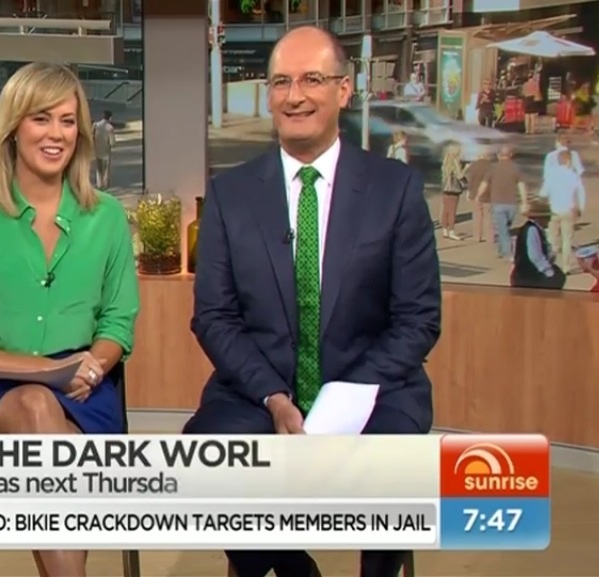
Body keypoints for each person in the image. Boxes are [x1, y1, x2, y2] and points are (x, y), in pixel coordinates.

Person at [183, 26, 440, 577]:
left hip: (372, 391)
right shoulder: (230, 194)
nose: (294, 96)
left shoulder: (395, 190)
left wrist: (341, 402)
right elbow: (214, 317)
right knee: (204, 462)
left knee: (390, 466)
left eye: (311, 80)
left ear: (343, 91)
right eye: (281, 82)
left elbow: (418, 320)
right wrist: (275, 397)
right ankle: (289, 564)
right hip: (257, 392)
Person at [0, 62, 139, 577]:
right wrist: (44, 373)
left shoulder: (107, 217)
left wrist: (94, 364)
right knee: (36, 406)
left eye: (67, 121)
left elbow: (117, 324)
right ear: (13, 128)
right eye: (41, 118)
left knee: (52, 441)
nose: (56, 134)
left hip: (86, 393)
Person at [538, 149, 585, 271]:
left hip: (553, 210)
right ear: (569, 161)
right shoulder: (573, 176)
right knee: (567, 240)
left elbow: (543, 193)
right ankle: (566, 266)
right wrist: (581, 208)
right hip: (569, 210)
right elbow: (581, 193)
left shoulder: (552, 175)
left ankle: (550, 263)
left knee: (552, 239)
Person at [477, 146, 527, 260]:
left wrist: (478, 196)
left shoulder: (493, 168)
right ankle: (502, 251)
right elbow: (521, 186)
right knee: (504, 228)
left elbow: (484, 183)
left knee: (502, 228)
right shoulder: (516, 168)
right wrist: (524, 201)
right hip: (512, 204)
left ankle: (507, 253)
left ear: (499, 155)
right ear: (511, 155)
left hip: (497, 203)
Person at [510, 199, 566, 290]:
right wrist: (549, 273)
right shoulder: (532, 230)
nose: (549, 220)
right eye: (547, 217)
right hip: (529, 277)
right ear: (539, 218)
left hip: (522, 275)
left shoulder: (528, 229)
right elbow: (535, 256)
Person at [464, 151, 493, 243]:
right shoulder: (491, 166)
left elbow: (469, 179)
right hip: (488, 194)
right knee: (488, 216)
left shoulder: (474, 165)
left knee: (477, 215)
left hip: (475, 193)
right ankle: (489, 237)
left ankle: (477, 236)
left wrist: (468, 192)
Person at [439, 142, 465, 240]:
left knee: (446, 210)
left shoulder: (445, 161)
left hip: (446, 188)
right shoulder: (455, 161)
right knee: (452, 211)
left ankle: (445, 230)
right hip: (453, 189)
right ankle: (452, 231)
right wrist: (466, 169)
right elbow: (459, 175)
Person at [92, 109, 116, 189]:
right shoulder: (110, 128)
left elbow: (92, 137)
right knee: (105, 170)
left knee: (99, 170)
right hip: (106, 152)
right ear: (110, 118)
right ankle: (104, 185)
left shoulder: (96, 125)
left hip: (97, 151)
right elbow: (112, 142)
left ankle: (99, 184)